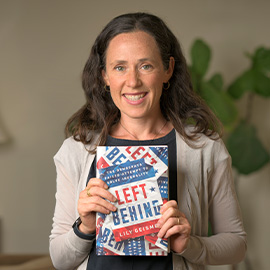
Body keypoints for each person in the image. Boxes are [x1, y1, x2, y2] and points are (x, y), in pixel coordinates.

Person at [49, 12, 247, 270]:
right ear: (104, 77)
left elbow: (237, 245)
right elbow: (59, 260)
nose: (133, 81)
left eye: (146, 66)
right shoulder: (76, 150)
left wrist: (189, 245)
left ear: (168, 70)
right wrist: (85, 226)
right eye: (119, 67)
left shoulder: (204, 149)